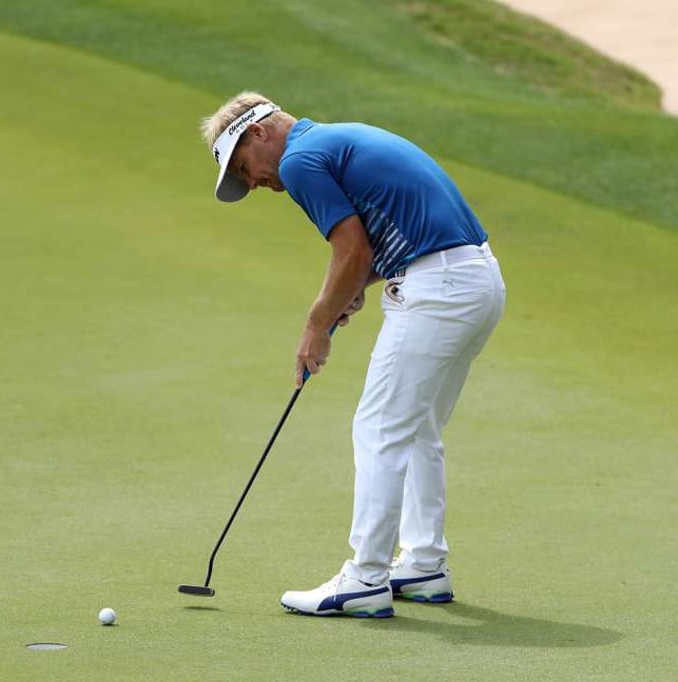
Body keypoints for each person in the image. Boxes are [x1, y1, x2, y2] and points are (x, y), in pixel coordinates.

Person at [200, 92, 506, 618]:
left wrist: (317, 324)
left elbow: (352, 248)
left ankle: (365, 577)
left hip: (438, 288)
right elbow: (378, 246)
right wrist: (355, 287)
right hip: (478, 281)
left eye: (244, 170)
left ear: (258, 134)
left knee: (379, 428)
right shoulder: (333, 139)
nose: (254, 184)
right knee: (416, 429)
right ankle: (424, 563)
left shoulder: (297, 159)